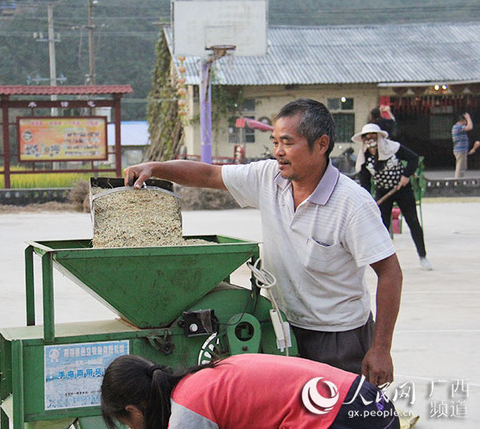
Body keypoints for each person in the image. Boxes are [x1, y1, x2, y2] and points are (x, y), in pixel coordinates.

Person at [125, 99, 402, 387]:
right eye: (275, 142)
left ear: (321, 144)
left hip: (338, 338)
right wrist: (155, 168)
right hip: (282, 327)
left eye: (287, 142)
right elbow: (210, 174)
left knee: (336, 414)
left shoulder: (352, 204)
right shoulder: (269, 178)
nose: (278, 152)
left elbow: (390, 272)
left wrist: (381, 348)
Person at [100, 353, 400, 429]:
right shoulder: (205, 377)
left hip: (345, 419)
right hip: (368, 403)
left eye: (128, 425)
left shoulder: (188, 411)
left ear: (133, 412)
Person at [353, 123, 432, 271]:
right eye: (367, 138)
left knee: (413, 222)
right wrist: (368, 200)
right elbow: (365, 183)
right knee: (382, 226)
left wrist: (406, 175)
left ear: (379, 137)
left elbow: (413, 158)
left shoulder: (393, 148)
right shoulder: (365, 158)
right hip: (383, 192)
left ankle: (423, 256)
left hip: (402, 190)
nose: (370, 140)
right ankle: (383, 260)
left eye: (372, 136)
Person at [451, 113, 474, 179]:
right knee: (460, 167)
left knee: (462, 166)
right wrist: (468, 118)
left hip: (460, 150)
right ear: (462, 121)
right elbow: (470, 127)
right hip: (460, 150)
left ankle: (459, 180)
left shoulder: (456, 127)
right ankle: (458, 181)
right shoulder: (458, 127)